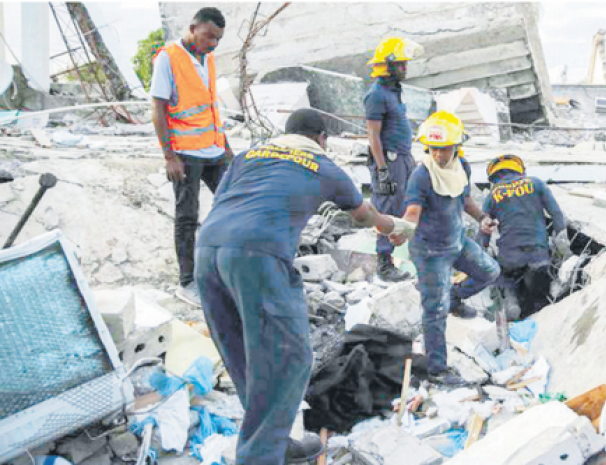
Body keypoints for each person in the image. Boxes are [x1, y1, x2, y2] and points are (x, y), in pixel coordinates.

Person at [194, 108, 415, 464]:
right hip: (259, 254)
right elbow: (364, 215)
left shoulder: (249, 156)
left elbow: (225, 200)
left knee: (243, 354)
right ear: (321, 138)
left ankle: (273, 444)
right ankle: (261, 457)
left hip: (206, 251)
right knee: (290, 357)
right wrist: (396, 227)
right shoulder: (323, 166)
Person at [391, 111, 500, 386]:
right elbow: (413, 211)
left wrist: (482, 219)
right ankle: (437, 370)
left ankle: (455, 298)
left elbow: (464, 199)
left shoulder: (461, 166)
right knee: (434, 310)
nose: (440, 155)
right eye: (435, 149)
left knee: (490, 271)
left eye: (445, 149)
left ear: (456, 147)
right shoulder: (421, 175)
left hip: (457, 241)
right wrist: (402, 231)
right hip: (430, 252)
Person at [150, 7, 234, 307]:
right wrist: (169, 156)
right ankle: (187, 282)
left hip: (214, 148)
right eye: (209, 36)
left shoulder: (208, 59)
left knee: (234, 203)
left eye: (218, 39)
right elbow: (158, 109)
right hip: (185, 153)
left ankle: (223, 268)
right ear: (193, 27)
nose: (212, 43)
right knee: (187, 215)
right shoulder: (168, 57)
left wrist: (225, 146)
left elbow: (210, 106)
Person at [474, 154, 569, 320]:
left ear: (493, 177)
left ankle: (510, 297)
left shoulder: (492, 195)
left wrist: (479, 256)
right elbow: (556, 214)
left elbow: (484, 234)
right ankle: (537, 308)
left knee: (501, 275)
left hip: (510, 257)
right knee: (538, 293)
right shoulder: (536, 183)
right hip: (539, 255)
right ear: (520, 171)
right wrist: (561, 245)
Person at [363, 37, 424, 282]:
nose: (405, 68)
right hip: (390, 161)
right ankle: (384, 264)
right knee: (387, 208)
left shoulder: (393, 91)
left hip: (404, 158)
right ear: (387, 65)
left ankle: (416, 256)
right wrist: (382, 169)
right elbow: (373, 135)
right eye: (400, 64)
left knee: (410, 205)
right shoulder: (376, 95)